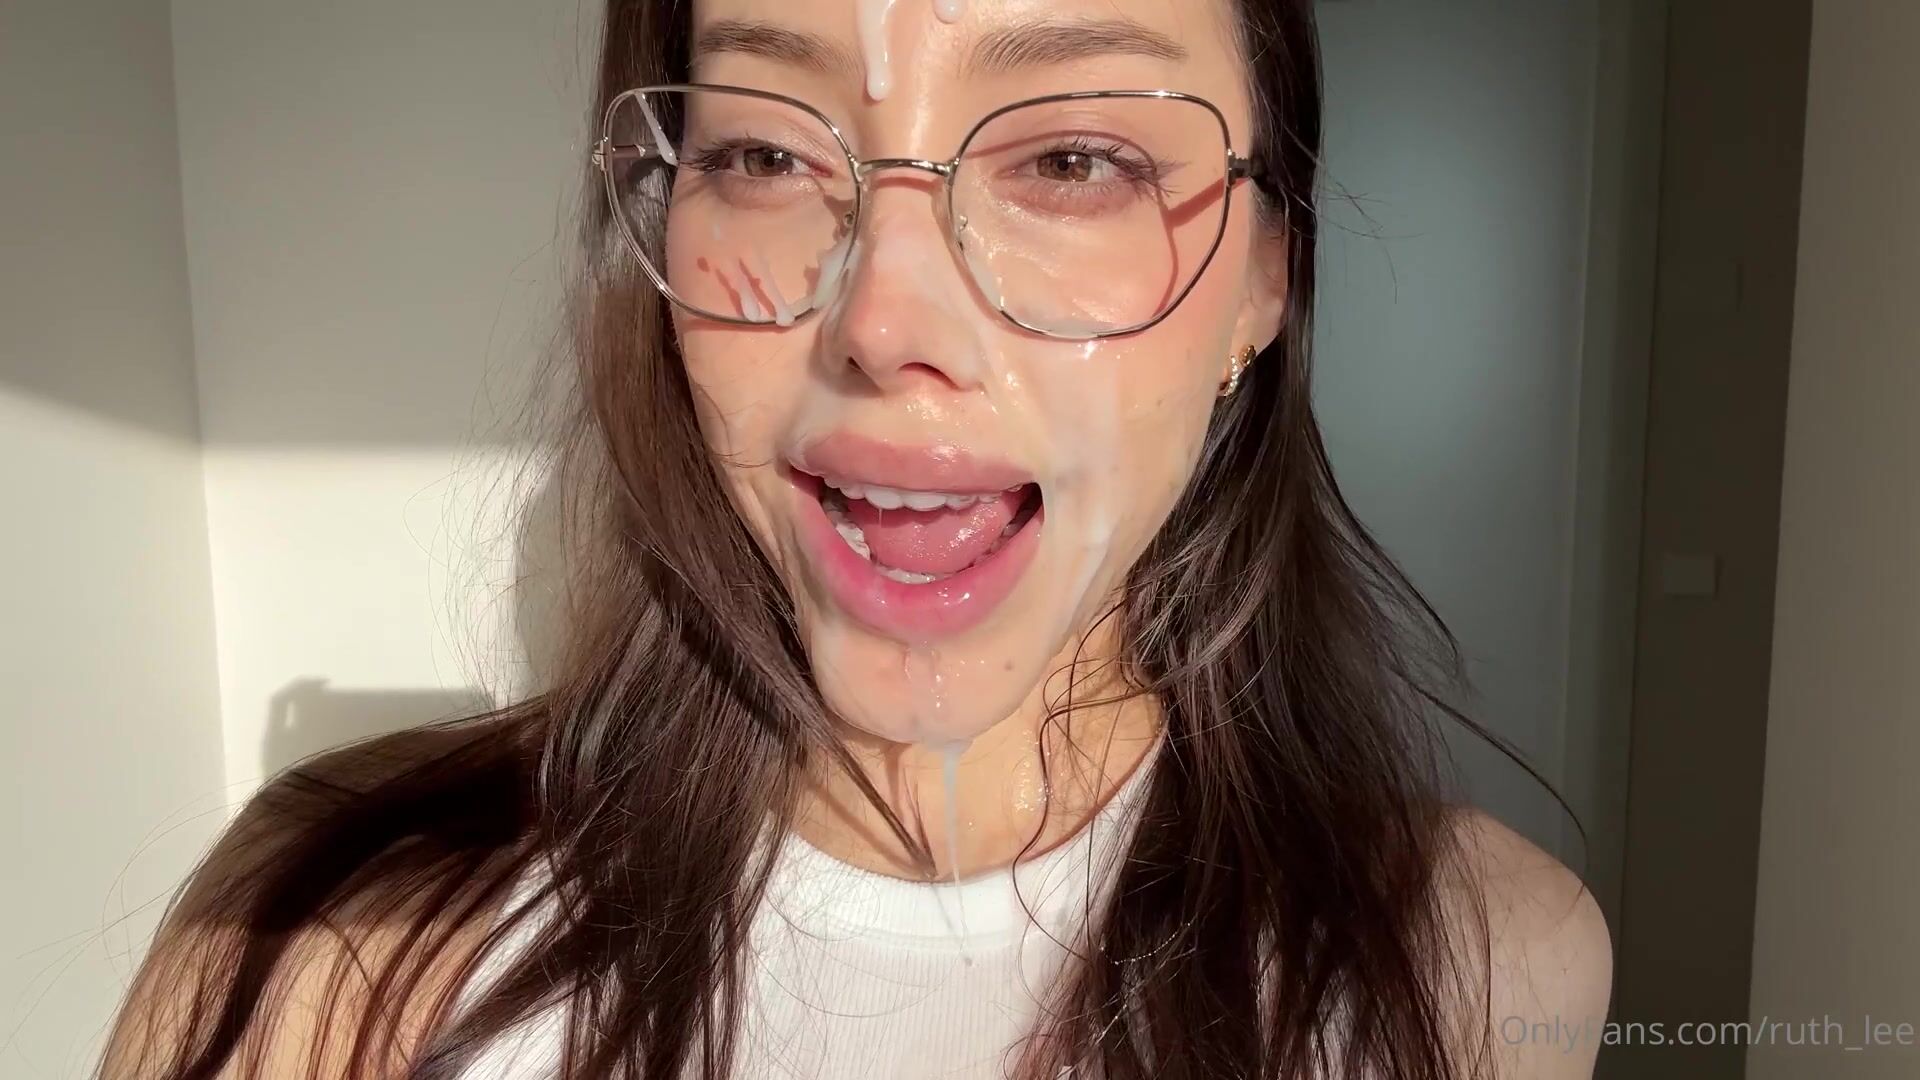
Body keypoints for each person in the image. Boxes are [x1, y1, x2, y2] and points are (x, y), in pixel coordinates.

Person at [101, 0, 1610, 1076]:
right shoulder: (323, 941)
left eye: (1076, 161)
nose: (883, 322)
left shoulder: (1481, 962)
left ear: (1265, 282)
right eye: (761, 155)